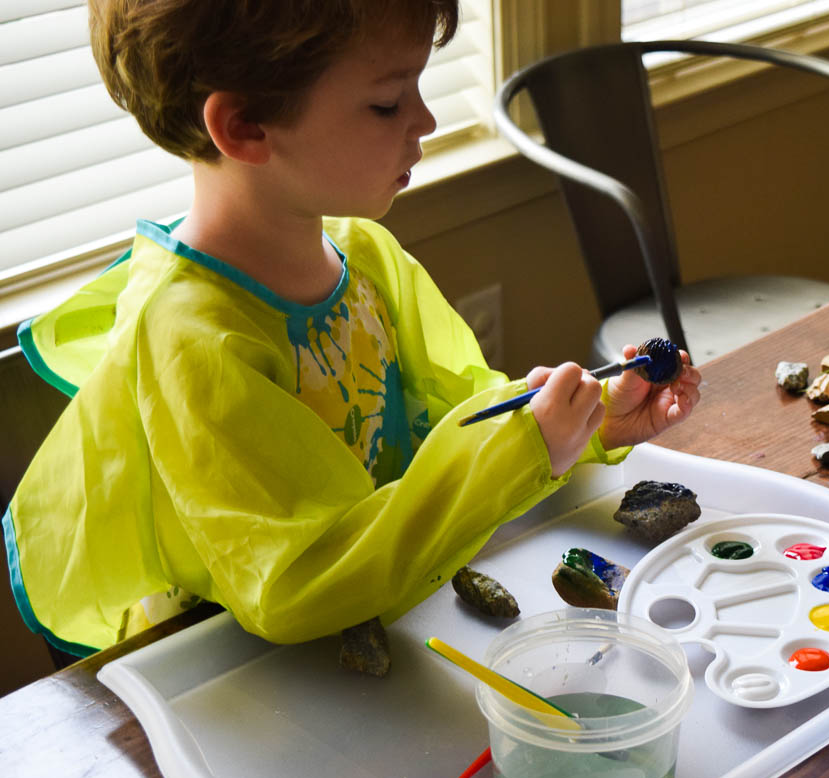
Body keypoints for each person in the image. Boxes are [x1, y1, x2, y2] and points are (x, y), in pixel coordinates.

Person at [3, 0, 701, 658]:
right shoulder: (194, 340)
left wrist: (586, 427)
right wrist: (526, 450)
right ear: (245, 126)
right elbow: (295, 583)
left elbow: (467, 422)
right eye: (387, 103)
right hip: (241, 670)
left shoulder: (362, 256)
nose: (425, 120)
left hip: (377, 619)